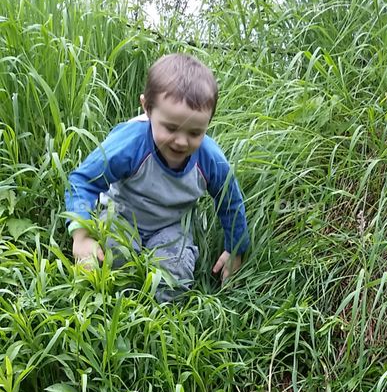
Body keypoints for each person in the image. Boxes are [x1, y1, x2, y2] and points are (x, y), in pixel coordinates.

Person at [65, 53, 249, 301]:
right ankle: (112, 310)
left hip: (171, 226)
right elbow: (82, 180)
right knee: (115, 259)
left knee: (175, 275)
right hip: (121, 214)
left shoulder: (210, 159)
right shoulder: (130, 144)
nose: (182, 141)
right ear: (147, 108)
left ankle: (157, 322)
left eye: (195, 132)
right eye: (171, 128)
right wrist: (82, 236)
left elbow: (230, 202)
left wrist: (235, 249)